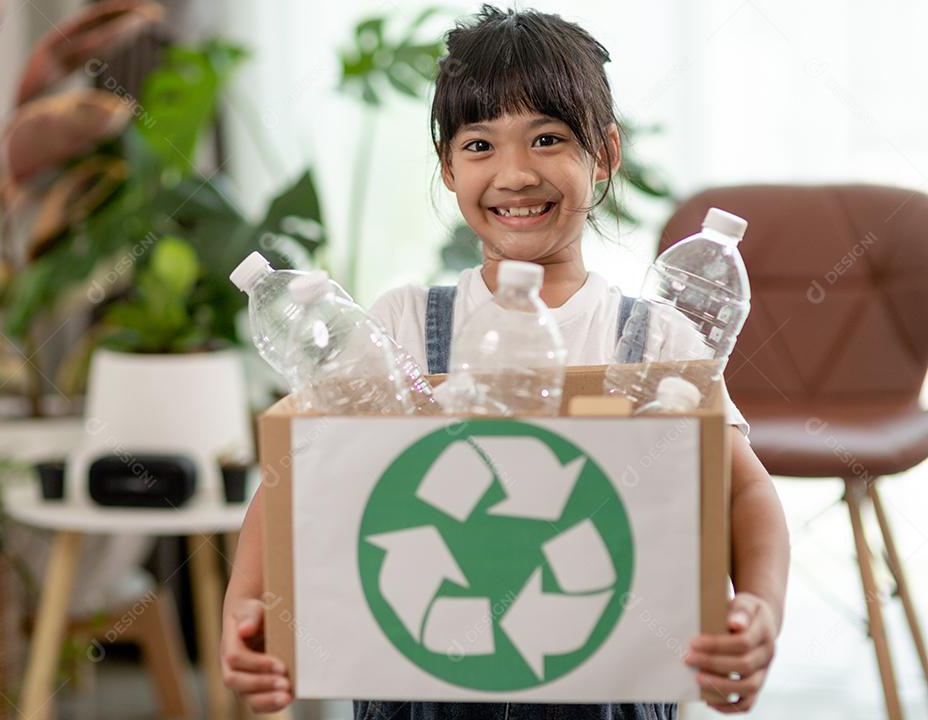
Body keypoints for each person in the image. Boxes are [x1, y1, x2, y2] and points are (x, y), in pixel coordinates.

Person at [221, 5, 790, 718]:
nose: (515, 174)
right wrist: (246, 607)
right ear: (448, 167)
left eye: (547, 138)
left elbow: (744, 491)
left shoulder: (654, 341)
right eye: (481, 145)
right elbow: (297, 469)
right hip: (422, 673)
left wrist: (758, 608)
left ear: (605, 154)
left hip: (606, 674)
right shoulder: (402, 325)